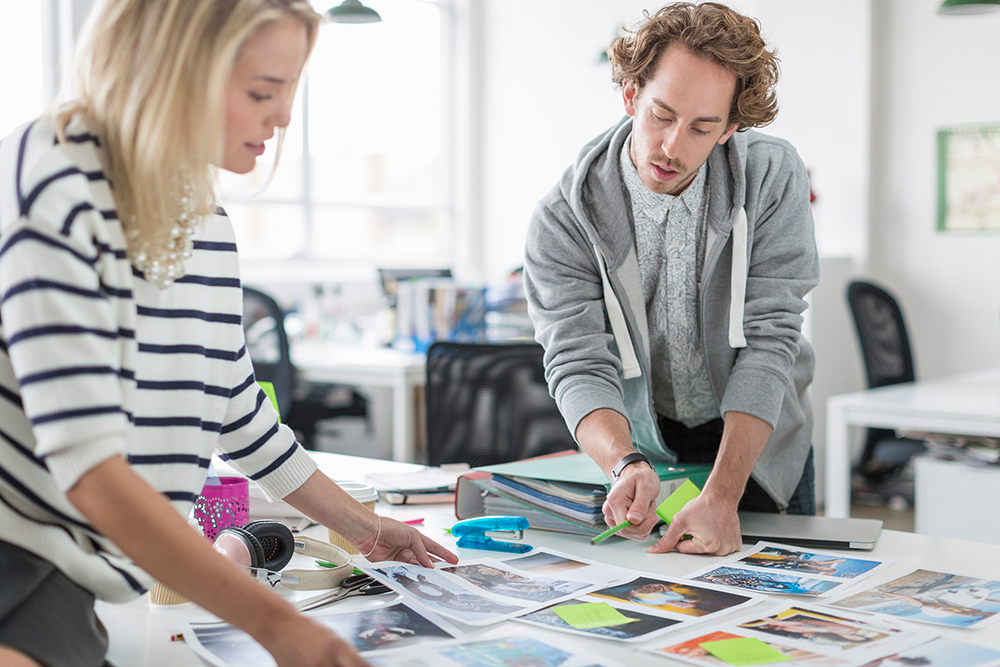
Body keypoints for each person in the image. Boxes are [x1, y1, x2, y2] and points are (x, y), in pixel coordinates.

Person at [0, 2, 457, 666]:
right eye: (262, 92)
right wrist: (280, 627)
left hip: (76, 577)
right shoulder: (56, 175)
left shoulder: (206, 221)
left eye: (289, 92)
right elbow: (91, 470)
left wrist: (361, 528)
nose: (283, 118)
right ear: (174, 70)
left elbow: (239, 412)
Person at [523, 1, 819, 557]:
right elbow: (578, 361)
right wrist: (623, 461)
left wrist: (724, 494)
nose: (672, 147)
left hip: (760, 438)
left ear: (731, 128)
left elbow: (769, 342)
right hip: (649, 442)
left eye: (702, 128)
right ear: (632, 95)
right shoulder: (562, 220)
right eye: (661, 115)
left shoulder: (773, 178)